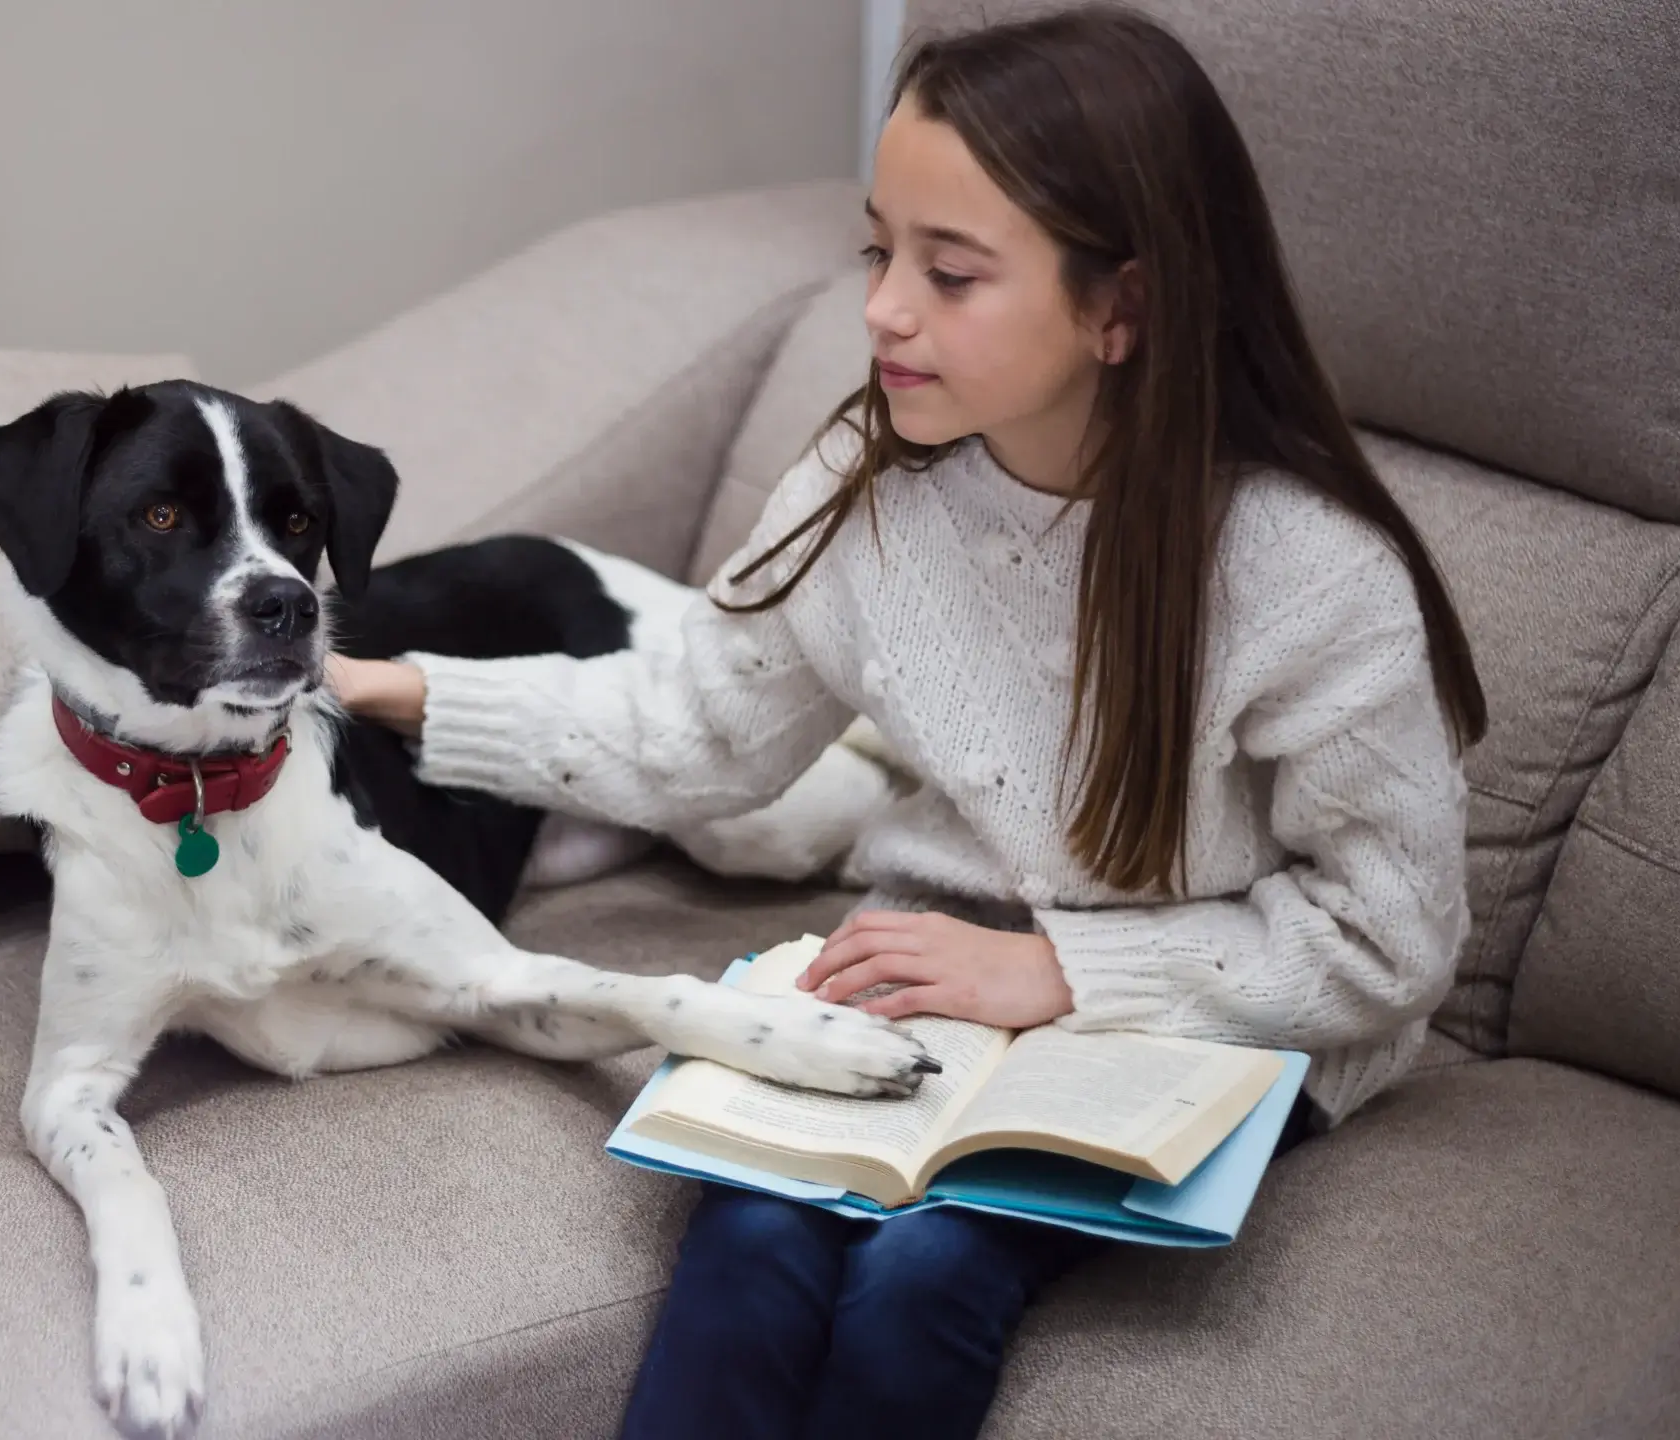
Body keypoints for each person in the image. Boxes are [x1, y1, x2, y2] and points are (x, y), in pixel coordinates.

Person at [325, 6, 1483, 1437]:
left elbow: (1392, 938)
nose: (881, 308)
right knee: (749, 1243)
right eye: (879, 251)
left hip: (1219, 1023)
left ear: (1125, 307)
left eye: (950, 272)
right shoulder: (864, 486)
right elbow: (700, 724)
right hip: (928, 988)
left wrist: (1059, 974)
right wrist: (406, 690)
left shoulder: (1309, 576)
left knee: (928, 1273)